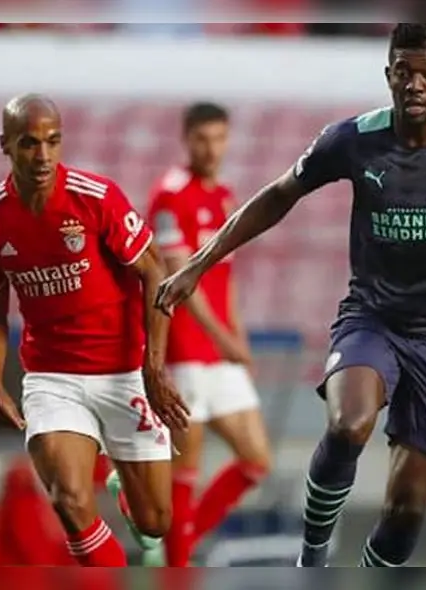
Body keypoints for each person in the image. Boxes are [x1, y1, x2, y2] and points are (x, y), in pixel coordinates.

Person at [155, 23, 426, 567]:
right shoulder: (353, 138)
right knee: (349, 425)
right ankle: (313, 555)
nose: (414, 84)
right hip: (373, 319)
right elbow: (278, 195)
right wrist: (199, 266)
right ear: (389, 75)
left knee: (405, 513)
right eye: (404, 72)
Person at [0, 94, 189, 567]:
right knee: (68, 498)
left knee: (155, 523)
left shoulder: (95, 198)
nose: (42, 155)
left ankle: (123, 483)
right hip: (52, 378)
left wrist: (153, 367)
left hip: (124, 370)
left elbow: (154, 271)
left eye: (52, 141)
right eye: (28, 143)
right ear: (5, 145)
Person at [141, 102, 272, 566]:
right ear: (186, 139)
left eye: (218, 138)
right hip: (185, 350)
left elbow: (226, 278)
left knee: (257, 460)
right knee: (185, 470)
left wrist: (240, 337)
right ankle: (176, 565)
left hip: (219, 350)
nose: (211, 148)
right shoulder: (169, 196)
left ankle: (183, 538)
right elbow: (181, 279)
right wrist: (223, 339)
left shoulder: (226, 197)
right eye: (202, 139)